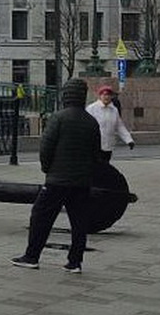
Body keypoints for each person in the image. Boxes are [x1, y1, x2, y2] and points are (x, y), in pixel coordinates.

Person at [11, 78, 101, 275]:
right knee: (79, 222)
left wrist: (47, 169)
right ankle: (74, 262)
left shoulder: (58, 118)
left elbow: (46, 147)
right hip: (82, 181)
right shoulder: (91, 121)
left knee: (41, 216)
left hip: (57, 180)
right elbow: (97, 154)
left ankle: (32, 256)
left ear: (66, 95)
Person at [85, 85, 133, 163]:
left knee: (105, 166)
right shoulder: (92, 108)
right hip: (95, 146)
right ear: (100, 96)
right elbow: (86, 126)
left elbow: (119, 126)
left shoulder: (114, 110)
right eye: (104, 94)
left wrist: (129, 140)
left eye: (108, 95)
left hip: (108, 145)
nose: (106, 97)